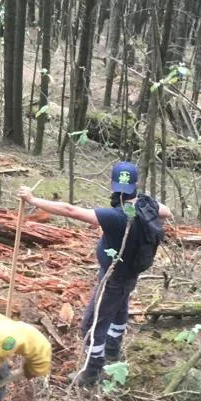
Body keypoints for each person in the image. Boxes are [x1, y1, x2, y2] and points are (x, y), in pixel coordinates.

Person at [18, 162, 172, 387]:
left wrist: (33, 200)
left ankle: (92, 370)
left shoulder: (117, 216)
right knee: (120, 308)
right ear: (136, 185)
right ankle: (112, 350)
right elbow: (167, 211)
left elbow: (71, 211)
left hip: (114, 276)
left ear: (112, 184)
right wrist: (148, 206)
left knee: (92, 322)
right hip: (129, 273)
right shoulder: (146, 206)